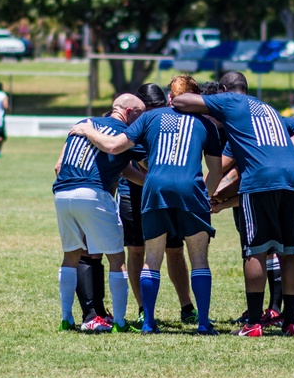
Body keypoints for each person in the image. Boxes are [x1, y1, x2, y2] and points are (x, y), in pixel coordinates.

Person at [172, 71, 294, 337]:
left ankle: (254, 323)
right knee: (291, 252)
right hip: (293, 177)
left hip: (261, 180)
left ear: (224, 89)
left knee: (255, 249)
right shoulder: (267, 108)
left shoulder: (229, 101)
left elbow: (181, 102)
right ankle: (290, 322)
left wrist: (179, 95)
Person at [71, 76, 223, 335]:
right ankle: (203, 323)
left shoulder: (150, 118)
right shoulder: (206, 124)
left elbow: (114, 146)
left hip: (154, 188)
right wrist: (203, 198)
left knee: (151, 258)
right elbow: (216, 171)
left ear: (169, 98)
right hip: (190, 188)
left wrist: (87, 130)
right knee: (198, 259)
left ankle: (149, 322)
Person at [53, 93, 146, 333]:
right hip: (93, 192)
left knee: (71, 255)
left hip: (62, 193)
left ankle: (67, 319)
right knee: (117, 258)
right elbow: (122, 152)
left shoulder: (84, 123)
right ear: (128, 112)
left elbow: (58, 165)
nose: (142, 119)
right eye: (140, 114)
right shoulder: (128, 133)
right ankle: (120, 323)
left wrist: (145, 182)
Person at [118, 83, 198, 330]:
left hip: (165, 193)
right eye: (149, 110)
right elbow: (125, 164)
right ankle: (144, 308)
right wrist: (151, 180)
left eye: (158, 108)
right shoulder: (131, 126)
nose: (155, 114)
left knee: (175, 249)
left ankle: (187, 307)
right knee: (136, 249)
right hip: (133, 192)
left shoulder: (170, 122)